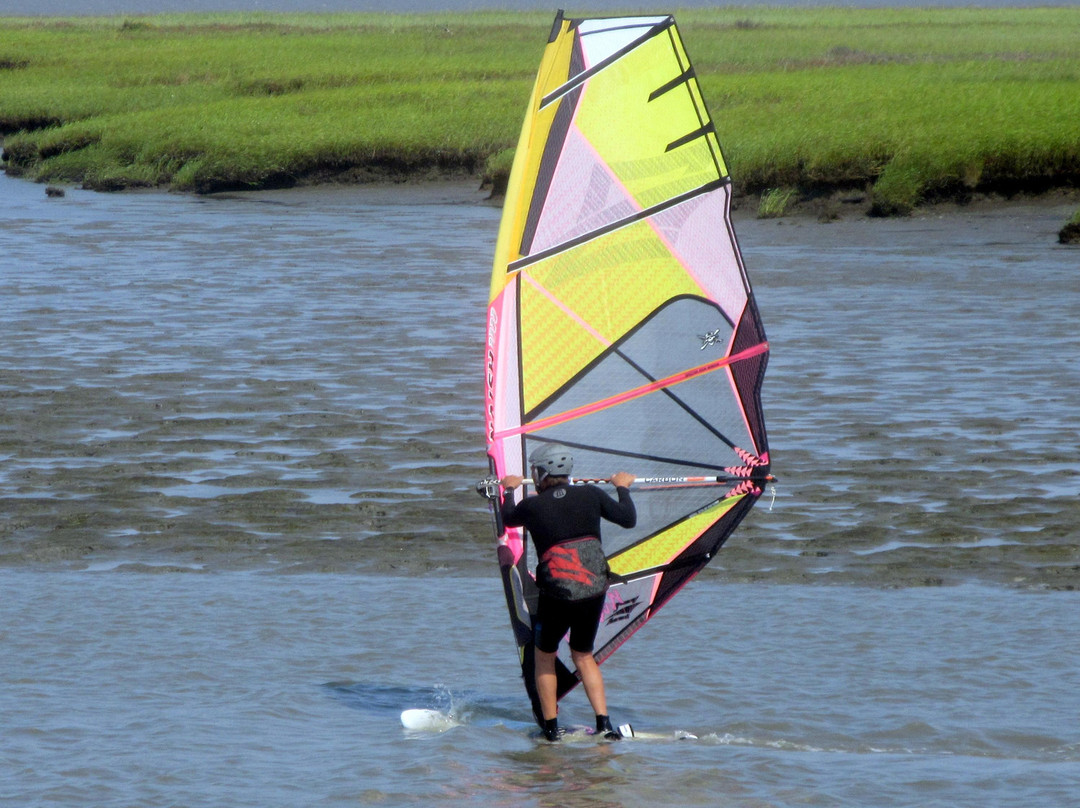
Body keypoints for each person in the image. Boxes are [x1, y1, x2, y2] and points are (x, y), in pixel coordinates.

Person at [499, 444, 636, 742]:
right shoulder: (591, 494)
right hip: (594, 588)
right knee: (583, 655)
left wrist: (509, 490)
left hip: (558, 594)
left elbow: (508, 518)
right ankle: (603, 723)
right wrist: (622, 487)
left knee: (545, 655)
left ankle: (551, 728)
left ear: (541, 473)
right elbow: (628, 518)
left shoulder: (532, 506)